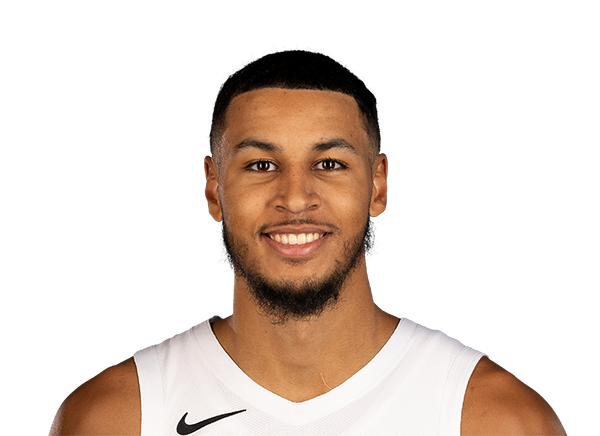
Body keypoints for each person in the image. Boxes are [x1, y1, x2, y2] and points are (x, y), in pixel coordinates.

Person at [53, 50, 565, 435]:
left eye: (329, 163)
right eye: (261, 164)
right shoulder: (120, 417)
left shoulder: (490, 418)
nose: (295, 198)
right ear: (213, 189)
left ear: (377, 186)